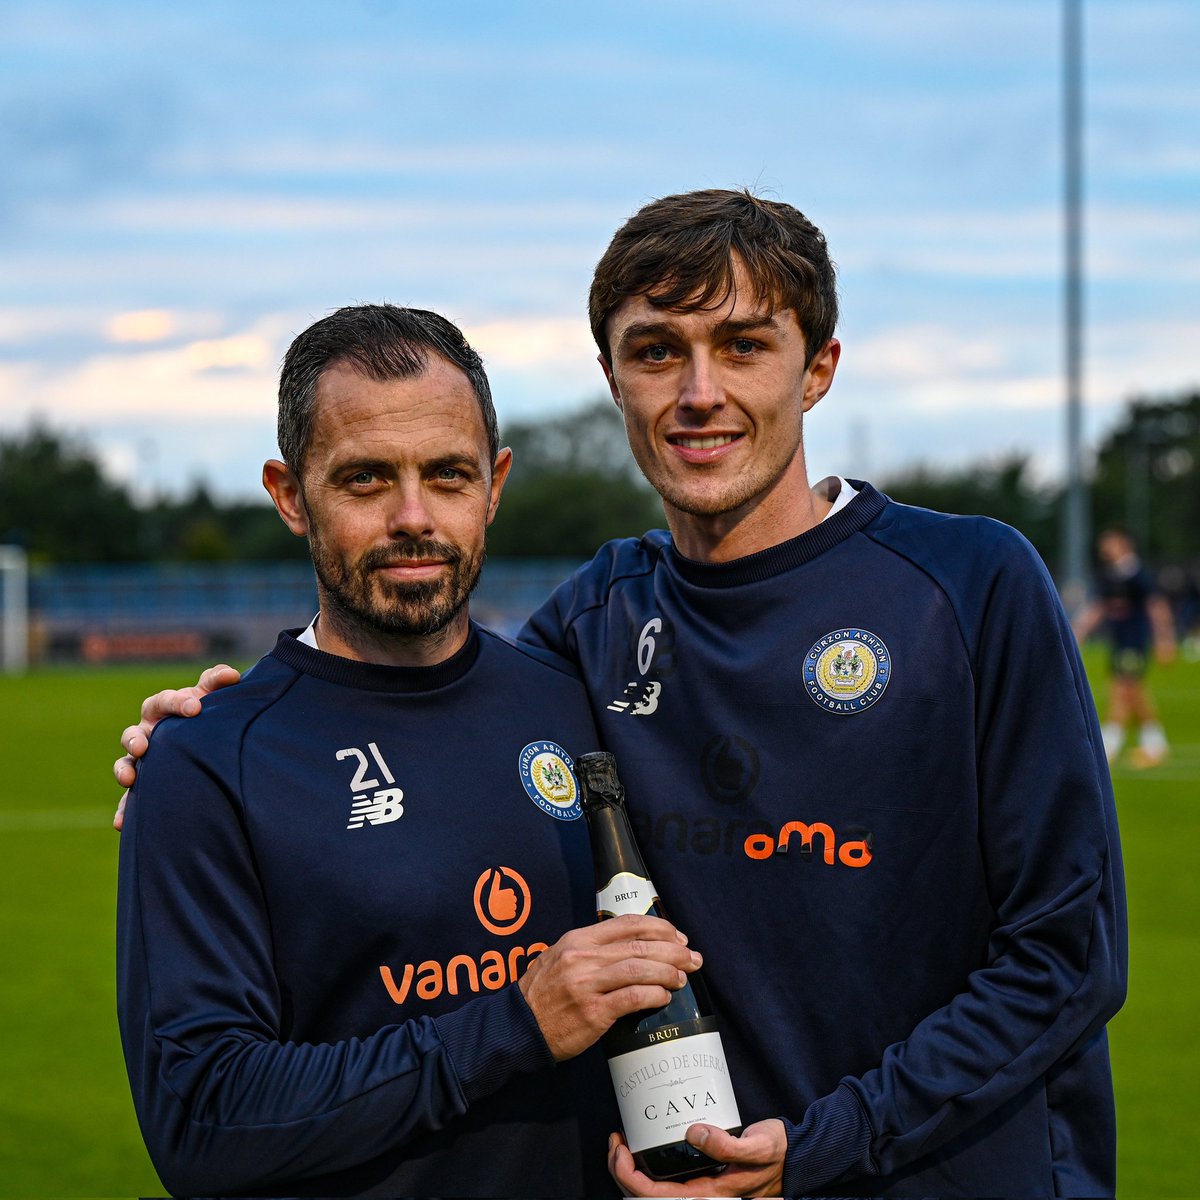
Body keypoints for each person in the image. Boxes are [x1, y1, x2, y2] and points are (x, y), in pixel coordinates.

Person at [116, 191, 1128, 1198]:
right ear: (613, 379)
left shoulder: (971, 583)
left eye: (741, 346)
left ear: (816, 369)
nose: (698, 392)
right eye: (656, 352)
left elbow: (1069, 954)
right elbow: (420, 694)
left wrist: (825, 1146)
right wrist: (224, 737)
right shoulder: (594, 624)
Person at [115, 303, 704, 1198]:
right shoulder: (208, 763)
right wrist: (517, 1019)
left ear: (495, 484)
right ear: (289, 495)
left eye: (449, 475)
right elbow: (203, 1118)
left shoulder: (573, 701)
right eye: (364, 480)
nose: (414, 517)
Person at [1074, 527, 1176, 766]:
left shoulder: (1138, 574)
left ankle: (1109, 746)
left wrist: (1164, 639)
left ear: (1123, 544)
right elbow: (1097, 608)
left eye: (1109, 542)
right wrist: (1078, 632)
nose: (1104, 547)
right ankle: (1156, 745)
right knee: (1135, 693)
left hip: (1134, 642)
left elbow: (1156, 607)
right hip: (1118, 642)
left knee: (1122, 690)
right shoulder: (1110, 576)